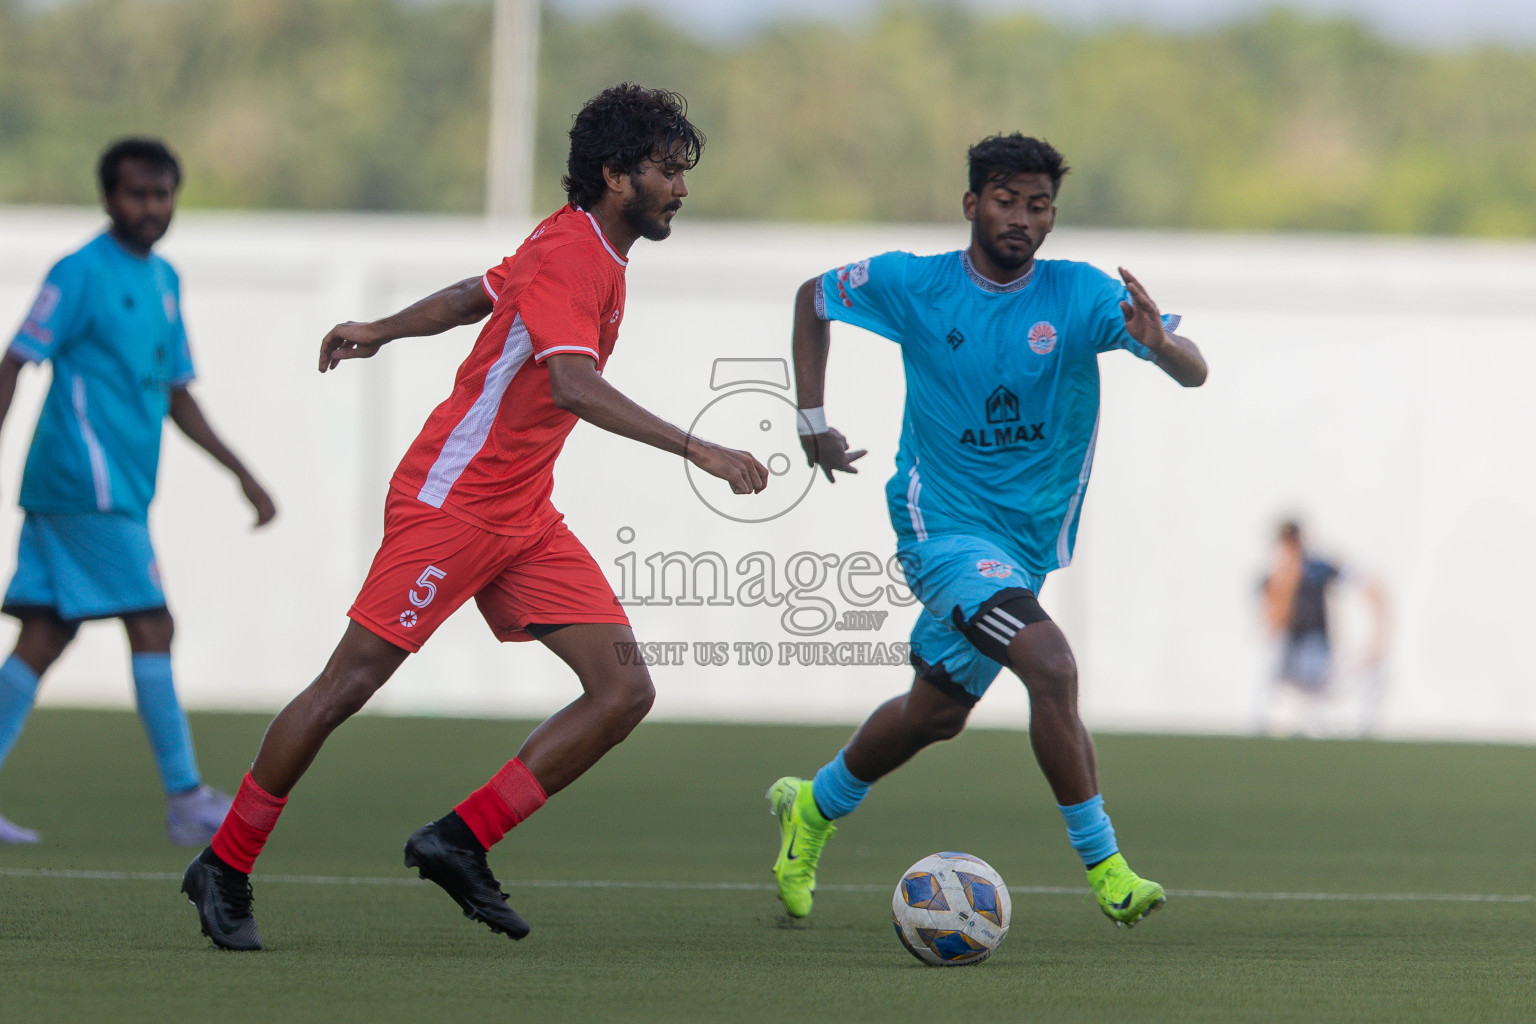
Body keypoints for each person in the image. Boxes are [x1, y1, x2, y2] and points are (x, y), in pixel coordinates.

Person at [181, 84, 769, 952]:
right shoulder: (572, 255)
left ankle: (459, 839)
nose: (681, 189)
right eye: (666, 172)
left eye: (682, 172)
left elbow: (475, 293)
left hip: (523, 514)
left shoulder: (580, 246)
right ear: (615, 176)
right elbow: (571, 382)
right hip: (452, 506)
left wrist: (380, 328)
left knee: (622, 689)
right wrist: (701, 450)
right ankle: (224, 865)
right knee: (346, 686)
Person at [767, 133, 1207, 929]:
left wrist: (1161, 343)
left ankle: (813, 805)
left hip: (1026, 545)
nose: (1022, 219)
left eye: (1039, 206)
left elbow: (1196, 369)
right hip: (942, 530)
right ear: (972, 204)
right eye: (1006, 201)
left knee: (935, 714)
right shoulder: (914, 283)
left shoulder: (1078, 295)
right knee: (1051, 664)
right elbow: (811, 297)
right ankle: (1108, 869)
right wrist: (812, 421)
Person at [0, 139, 277, 847]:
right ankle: (186, 798)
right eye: (136, 194)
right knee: (153, 625)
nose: (151, 208)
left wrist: (240, 470)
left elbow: (177, 394)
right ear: (107, 199)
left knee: (45, 634)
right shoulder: (80, 272)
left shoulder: (164, 280)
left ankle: (185, 798)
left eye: (162, 194)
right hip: (81, 483)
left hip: (119, 488)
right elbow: (17, 361)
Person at [1258, 519, 1389, 736]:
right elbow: (1275, 623)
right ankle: (1264, 724)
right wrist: (1287, 580)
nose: (1291, 548)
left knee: (1379, 670)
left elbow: (1369, 585)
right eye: (1286, 542)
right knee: (1270, 653)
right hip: (1292, 670)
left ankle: (1361, 736)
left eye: (1294, 541)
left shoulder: (1319, 568)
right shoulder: (1271, 577)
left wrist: (1377, 637)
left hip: (1322, 660)